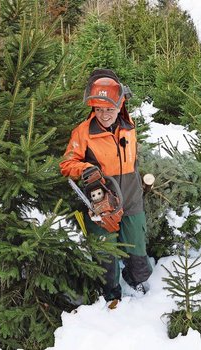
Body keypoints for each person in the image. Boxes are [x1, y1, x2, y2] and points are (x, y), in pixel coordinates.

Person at [59, 69, 152, 303]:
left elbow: (133, 158)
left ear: (120, 105)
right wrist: (86, 170)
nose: (104, 114)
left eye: (109, 109)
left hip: (131, 195)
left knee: (137, 245)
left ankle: (135, 278)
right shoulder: (83, 132)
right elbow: (67, 163)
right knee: (105, 251)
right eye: (99, 109)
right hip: (103, 200)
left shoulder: (129, 127)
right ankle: (111, 293)